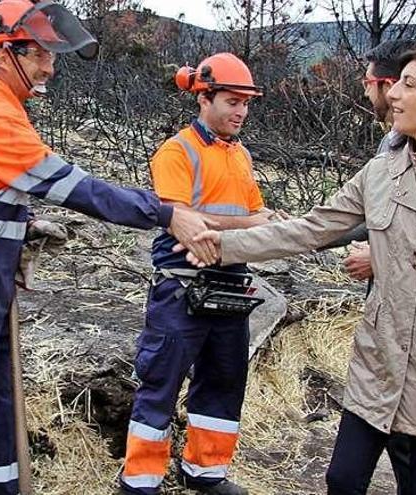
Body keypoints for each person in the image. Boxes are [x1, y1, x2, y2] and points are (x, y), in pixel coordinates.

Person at [0, 1, 215, 493]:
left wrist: (20, 232)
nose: (51, 66)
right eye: (40, 55)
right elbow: (77, 188)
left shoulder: (8, 109)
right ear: (5, 54)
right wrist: (164, 213)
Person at [181, 47, 416, 495]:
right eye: (395, 83)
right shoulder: (382, 169)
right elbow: (312, 229)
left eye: (409, 85)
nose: (392, 93)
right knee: (342, 479)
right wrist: (222, 246)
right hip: (377, 362)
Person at [119, 53, 273, 495]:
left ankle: (206, 472)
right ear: (204, 98)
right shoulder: (176, 150)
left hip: (230, 278)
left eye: (246, 103)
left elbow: (253, 208)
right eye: (232, 101)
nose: (241, 112)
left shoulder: (239, 153)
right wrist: (251, 225)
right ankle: (140, 480)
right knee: (162, 380)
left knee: (224, 377)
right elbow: (182, 217)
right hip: (181, 282)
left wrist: (269, 221)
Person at [338, 39, 416, 284]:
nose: (365, 92)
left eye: (368, 83)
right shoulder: (391, 142)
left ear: (388, 86)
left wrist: (380, 257)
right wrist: (303, 233)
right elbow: (374, 216)